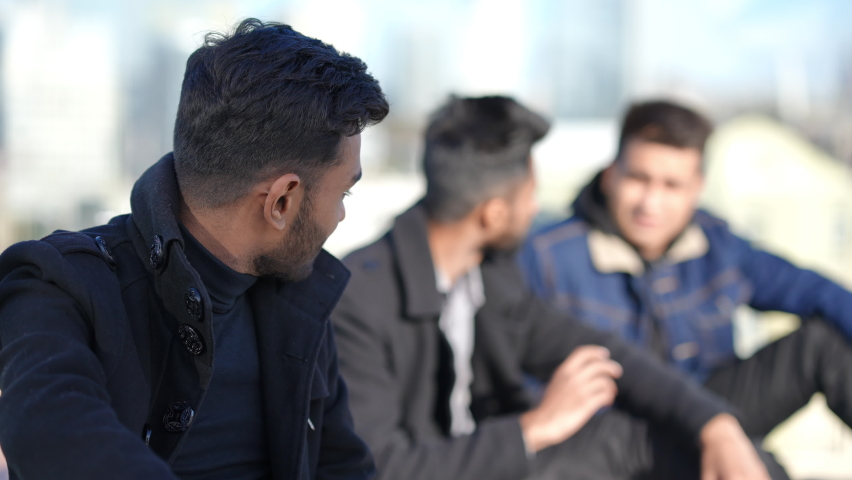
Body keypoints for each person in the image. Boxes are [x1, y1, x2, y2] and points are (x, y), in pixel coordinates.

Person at [0, 19, 388, 480]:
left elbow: (342, 466)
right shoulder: (57, 285)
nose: (341, 217)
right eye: (343, 195)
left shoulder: (300, 300)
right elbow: (55, 440)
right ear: (282, 201)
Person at [332, 95, 781, 480]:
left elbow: (608, 353)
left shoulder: (488, 273)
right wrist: (535, 427)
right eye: (530, 194)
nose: (536, 206)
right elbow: (383, 469)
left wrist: (715, 424)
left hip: (503, 462)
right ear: (493, 215)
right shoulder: (357, 300)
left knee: (698, 447)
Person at [520, 100, 852, 459]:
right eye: (638, 179)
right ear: (610, 175)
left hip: (713, 418)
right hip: (608, 440)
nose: (651, 202)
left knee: (821, 343)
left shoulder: (719, 245)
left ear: (696, 188)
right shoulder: (547, 255)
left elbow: (815, 292)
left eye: (672, 185)